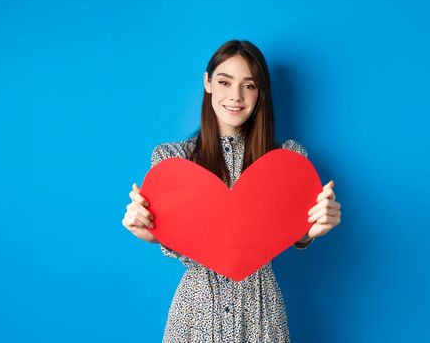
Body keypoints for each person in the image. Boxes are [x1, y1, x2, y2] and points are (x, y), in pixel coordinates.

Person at [121, 40, 342, 342]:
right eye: (225, 82)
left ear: (260, 93)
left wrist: (313, 228)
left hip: (262, 314)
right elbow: (181, 239)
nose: (235, 96)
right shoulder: (174, 161)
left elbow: (291, 232)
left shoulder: (288, 161)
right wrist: (152, 232)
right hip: (196, 315)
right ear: (208, 82)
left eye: (249, 86)